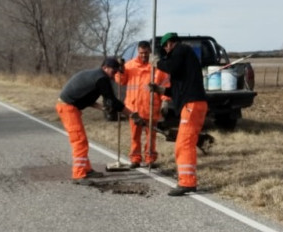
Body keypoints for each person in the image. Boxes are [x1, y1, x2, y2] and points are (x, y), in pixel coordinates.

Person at [57, 57, 143, 184]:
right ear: (105, 68)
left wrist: (101, 108)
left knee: (82, 140)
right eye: (113, 72)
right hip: (68, 107)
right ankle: (78, 175)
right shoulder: (102, 78)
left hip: (70, 106)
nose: (114, 76)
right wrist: (132, 115)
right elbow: (113, 101)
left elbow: (86, 97)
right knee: (79, 141)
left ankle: (86, 170)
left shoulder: (96, 75)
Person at [149, 32, 208, 196]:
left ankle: (187, 182)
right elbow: (176, 89)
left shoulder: (181, 50)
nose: (165, 52)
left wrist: (157, 63)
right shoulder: (183, 59)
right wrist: (160, 90)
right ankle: (186, 179)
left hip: (192, 104)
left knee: (184, 144)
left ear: (169, 44)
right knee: (184, 143)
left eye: (165, 49)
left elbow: (171, 66)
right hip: (192, 104)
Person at [114, 41, 170, 168]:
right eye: (141, 53)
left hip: (151, 108)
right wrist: (120, 70)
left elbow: (165, 86)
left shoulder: (158, 67)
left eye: (146, 53)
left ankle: (150, 159)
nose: (143, 55)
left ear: (150, 51)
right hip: (133, 109)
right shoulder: (130, 66)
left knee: (151, 137)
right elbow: (120, 81)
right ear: (138, 52)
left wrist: (165, 102)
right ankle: (135, 159)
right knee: (135, 136)